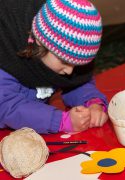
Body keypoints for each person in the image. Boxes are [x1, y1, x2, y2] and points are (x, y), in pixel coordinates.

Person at [0, 0, 108, 134]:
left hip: (35, 130)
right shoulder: (6, 58)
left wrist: (92, 103)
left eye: (77, 64)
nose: (70, 71)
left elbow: (77, 82)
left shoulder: (56, 55)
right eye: (64, 61)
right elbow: (6, 106)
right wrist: (60, 121)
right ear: (40, 42)